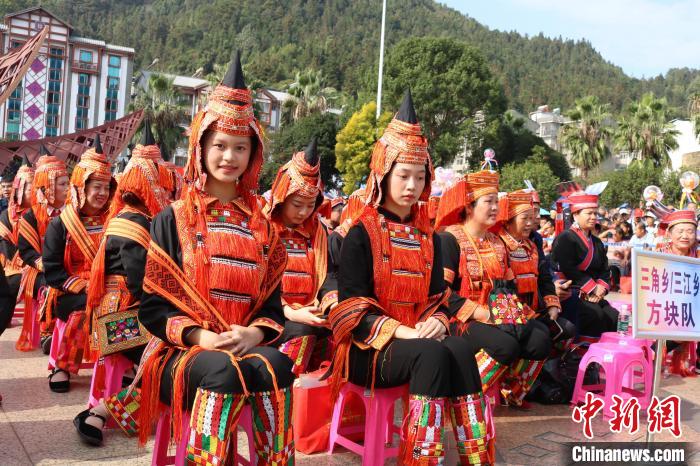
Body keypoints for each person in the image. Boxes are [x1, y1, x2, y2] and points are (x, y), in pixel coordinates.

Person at [136, 52, 295, 465]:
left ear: (252, 153)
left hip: (243, 345)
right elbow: (153, 310)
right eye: (220, 146)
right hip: (182, 351)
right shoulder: (171, 219)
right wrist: (202, 338)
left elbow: (274, 310)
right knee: (222, 371)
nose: (229, 157)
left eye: (239, 147)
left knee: (278, 365)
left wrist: (254, 335)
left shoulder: (264, 227)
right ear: (201, 148)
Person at [329, 90, 491, 465]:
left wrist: (436, 320)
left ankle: (477, 456)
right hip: (368, 348)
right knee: (432, 352)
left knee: (461, 348)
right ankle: (422, 459)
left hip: (417, 339)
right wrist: (406, 331)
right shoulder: (360, 232)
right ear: (383, 175)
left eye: (420, 177)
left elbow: (440, 297)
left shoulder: (429, 237)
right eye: (403, 175)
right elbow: (351, 308)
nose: (411, 186)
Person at [73, 122, 173, 445]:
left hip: (111, 316)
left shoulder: (127, 217)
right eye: (163, 186)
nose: (167, 194)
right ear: (149, 187)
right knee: (167, 352)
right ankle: (105, 411)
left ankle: (105, 409)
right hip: (116, 323)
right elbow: (141, 286)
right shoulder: (134, 225)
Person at [436, 169, 550, 410]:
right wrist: (481, 314)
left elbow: (508, 286)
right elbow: (441, 292)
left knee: (539, 338)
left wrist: (513, 315)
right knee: (505, 346)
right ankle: (461, 397)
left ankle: (511, 390)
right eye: (488, 201)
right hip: (460, 318)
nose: (495, 207)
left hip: (496, 313)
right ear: (469, 206)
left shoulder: (496, 242)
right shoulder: (450, 239)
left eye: (496, 201)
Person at [43, 135, 115, 392]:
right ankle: (63, 365)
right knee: (84, 309)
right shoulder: (60, 224)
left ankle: (121, 362)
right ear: (80, 187)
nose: (102, 193)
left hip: (109, 287)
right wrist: (86, 286)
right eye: (96, 186)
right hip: (70, 290)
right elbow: (52, 271)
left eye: (106, 187)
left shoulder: (114, 222)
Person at [263, 139, 337, 375]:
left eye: (309, 205)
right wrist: (290, 311)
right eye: (297, 204)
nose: (304, 212)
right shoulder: (263, 228)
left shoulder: (318, 232)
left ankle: (322, 402)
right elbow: (258, 283)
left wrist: (330, 306)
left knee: (337, 330)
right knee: (301, 332)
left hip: (310, 311)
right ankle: (284, 385)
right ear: (282, 198)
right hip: (272, 315)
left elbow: (328, 275)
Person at [18, 149, 69, 353]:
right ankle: (48, 332)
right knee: (50, 285)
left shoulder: (73, 212)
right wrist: (48, 266)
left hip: (71, 267)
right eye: (62, 184)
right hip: (39, 269)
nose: (68, 188)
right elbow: (27, 252)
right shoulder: (31, 216)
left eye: (68, 183)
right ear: (47, 186)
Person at [551, 190, 618, 337]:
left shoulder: (597, 242)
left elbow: (605, 270)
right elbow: (568, 268)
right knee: (596, 315)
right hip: (572, 292)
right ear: (575, 215)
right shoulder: (565, 238)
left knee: (614, 316)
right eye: (589, 213)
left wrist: (601, 289)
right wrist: (592, 288)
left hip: (593, 293)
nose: (594, 217)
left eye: (595, 213)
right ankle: (582, 353)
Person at [0, 156, 34, 335]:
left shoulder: (43, 214)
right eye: (30, 187)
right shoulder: (6, 215)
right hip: (12, 266)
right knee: (12, 282)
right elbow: (4, 248)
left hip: (38, 266)